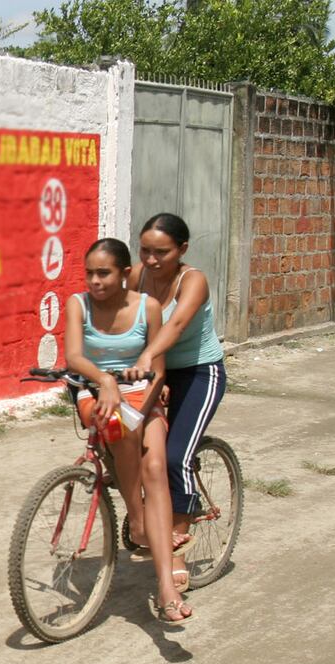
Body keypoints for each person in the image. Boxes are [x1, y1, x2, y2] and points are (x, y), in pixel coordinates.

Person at [64, 237, 191, 624]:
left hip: (143, 392)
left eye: (104, 273)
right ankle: (137, 522)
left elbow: (159, 366)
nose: (94, 281)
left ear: (124, 274)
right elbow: (73, 357)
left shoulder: (147, 308)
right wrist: (105, 380)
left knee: (154, 471)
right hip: (94, 392)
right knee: (119, 424)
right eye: (89, 273)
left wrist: (146, 397)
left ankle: (167, 589)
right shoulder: (77, 305)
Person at [126, 212, 227, 596]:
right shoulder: (136, 276)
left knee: (173, 458)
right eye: (145, 250)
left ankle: (177, 545)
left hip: (200, 373)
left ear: (182, 249)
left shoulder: (193, 280)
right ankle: (142, 522)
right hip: (155, 371)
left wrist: (147, 359)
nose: (151, 260)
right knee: (127, 444)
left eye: (161, 252)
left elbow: (176, 326)